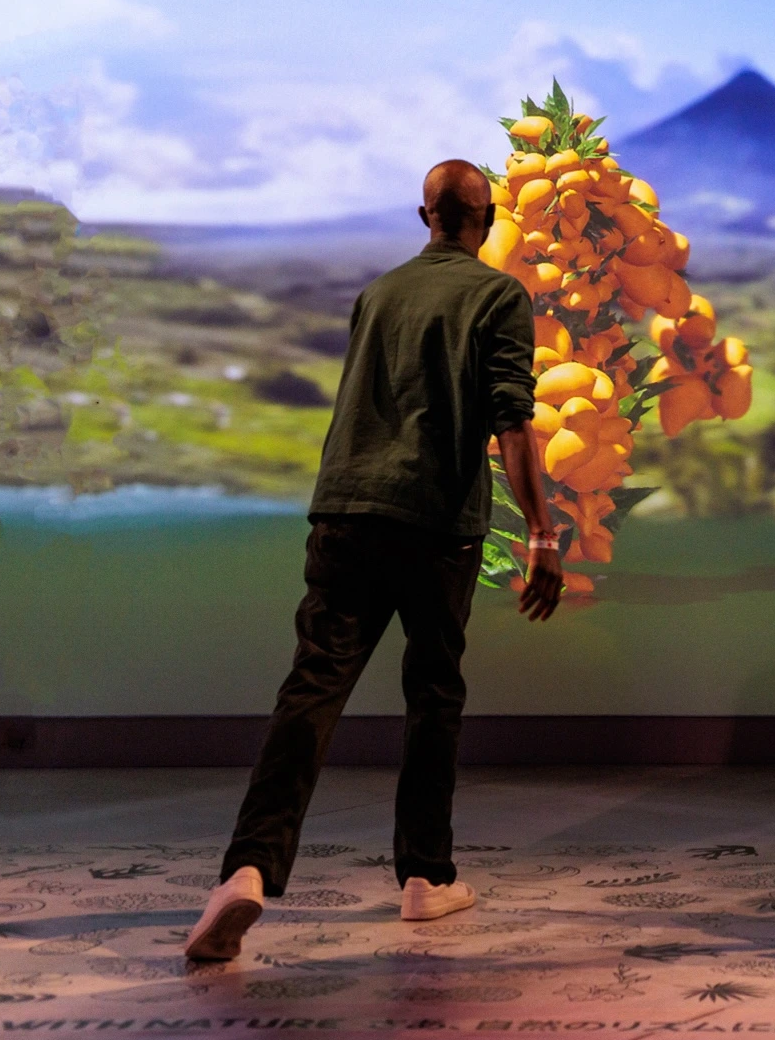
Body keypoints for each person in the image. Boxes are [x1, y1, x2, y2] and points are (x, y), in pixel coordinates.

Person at [184, 160, 566, 962]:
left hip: (347, 511)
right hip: (435, 527)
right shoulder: (499, 296)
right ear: (489, 217)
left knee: (311, 690)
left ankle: (247, 870)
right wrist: (541, 530)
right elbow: (512, 421)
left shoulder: (379, 293)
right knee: (433, 695)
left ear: (422, 214)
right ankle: (425, 878)